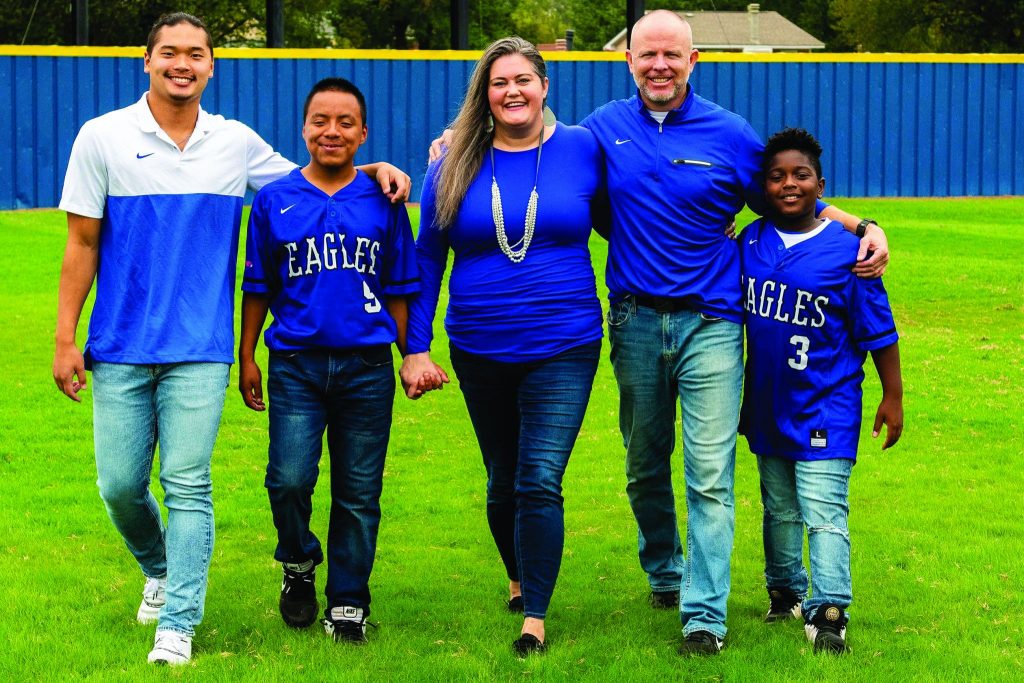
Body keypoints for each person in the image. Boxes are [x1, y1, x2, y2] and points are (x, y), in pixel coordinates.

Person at [52, 12, 409, 665]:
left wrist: (376, 166)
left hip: (202, 346)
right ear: (147, 60)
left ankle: (178, 624)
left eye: (195, 53)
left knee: (187, 483)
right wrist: (64, 338)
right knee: (120, 486)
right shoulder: (101, 137)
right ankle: (159, 566)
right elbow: (79, 243)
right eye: (169, 53)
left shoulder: (234, 143)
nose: (181, 63)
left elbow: (316, 181)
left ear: (211, 65)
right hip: (119, 344)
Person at [575, 10, 892, 655]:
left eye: (673, 55)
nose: (659, 66)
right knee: (643, 465)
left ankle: (704, 616)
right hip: (634, 319)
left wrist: (862, 226)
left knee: (711, 472)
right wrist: (447, 146)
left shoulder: (729, 132)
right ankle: (664, 570)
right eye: (647, 55)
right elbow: (538, 153)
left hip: (713, 322)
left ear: (695, 61)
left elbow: (787, 191)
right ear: (627, 60)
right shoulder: (600, 130)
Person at [401, 36, 605, 656]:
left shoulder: (582, 150)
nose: (512, 91)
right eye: (499, 82)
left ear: (545, 87)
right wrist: (416, 348)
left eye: (523, 80)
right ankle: (517, 576)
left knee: (540, 478)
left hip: (565, 341)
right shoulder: (454, 161)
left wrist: (838, 220)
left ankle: (535, 618)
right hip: (479, 345)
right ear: (484, 94)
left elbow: (642, 215)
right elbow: (427, 257)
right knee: (503, 478)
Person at [237, 77, 420, 645]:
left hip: (366, 367)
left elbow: (399, 287)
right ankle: (297, 563)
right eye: (321, 120)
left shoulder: (385, 201)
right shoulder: (273, 201)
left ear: (364, 133)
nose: (332, 131)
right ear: (303, 128)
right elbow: (259, 286)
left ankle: (348, 601)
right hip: (296, 363)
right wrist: (247, 356)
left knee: (358, 491)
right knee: (289, 480)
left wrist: (410, 353)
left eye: (346, 122)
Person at [738, 127, 903, 654]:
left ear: (820, 184)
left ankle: (829, 611)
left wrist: (893, 396)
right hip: (767, 403)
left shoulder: (850, 252)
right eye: (777, 176)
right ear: (763, 187)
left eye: (801, 175)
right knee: (779, 507)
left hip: (826, 405)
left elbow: (880, 331)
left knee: (824, 509)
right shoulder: (751, 241)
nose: (789, 184)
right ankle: (784, 592)